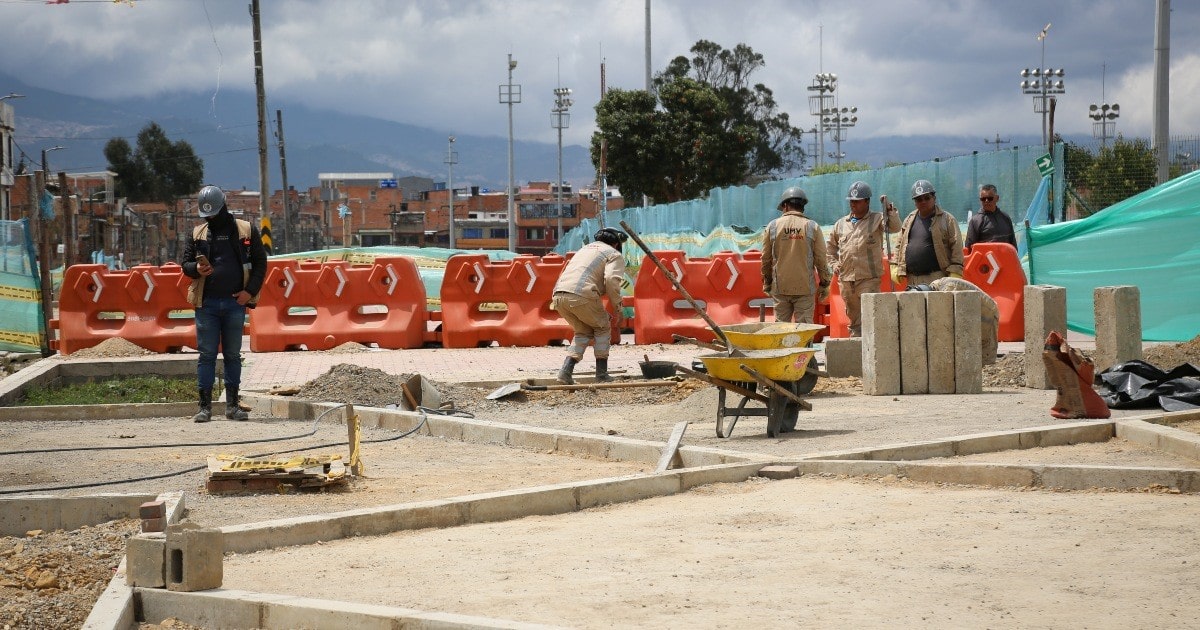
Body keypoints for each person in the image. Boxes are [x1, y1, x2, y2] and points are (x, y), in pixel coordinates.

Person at [181, 185, 267, 423]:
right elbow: (185, 265)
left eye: (213, 213)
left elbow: (260, 262)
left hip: (234, 305)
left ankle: (232, 406)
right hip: (206, 305)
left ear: (223, 207)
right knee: (206, 355)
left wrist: (248, 293)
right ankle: (205, 408)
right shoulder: (198, 234)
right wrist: (196, 269)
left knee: (232, 355)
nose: (209, 218)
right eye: (206, 214)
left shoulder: (245, 231)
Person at [551, 227, 628, 385]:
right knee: (602, 327)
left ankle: (565, 372)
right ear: (616, 243)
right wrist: (618, 308)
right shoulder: (614, 254)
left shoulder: (584, 249)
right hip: (581, 295)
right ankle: (601, 374)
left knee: (583, 332)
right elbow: (612, 280)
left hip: (558, 296)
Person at [826, 180, 900, 337]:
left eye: (857, 201)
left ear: (867, 201)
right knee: (854, 320)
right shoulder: (840, 224)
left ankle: (873, 353)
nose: (853, 204)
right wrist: (833, 264)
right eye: (851, 201)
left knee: (871, 317)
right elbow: (830, 248)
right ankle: (858, 350)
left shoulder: (877, 219)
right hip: (846, 280)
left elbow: (894, 227)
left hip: (868, 279)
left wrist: (890, 212)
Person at [761, 187, 831, 324]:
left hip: (780, 287)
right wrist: (824, 283)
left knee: (780, 329)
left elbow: (766, 259)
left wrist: (767, 282)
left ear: (785, 206)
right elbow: (821, 259)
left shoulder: (773, 226)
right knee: (804, 329)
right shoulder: (812, 227)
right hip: (805, 287)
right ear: (802, 207)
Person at [892, 179, 964, 287]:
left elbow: (957, 246)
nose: (923, 201)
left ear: (934, 198)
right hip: (912, 280)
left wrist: (955, 271)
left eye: (927, 198)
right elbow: (899, 244)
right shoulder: (909, 219)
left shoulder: (947, 219)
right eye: (919, 199)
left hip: (937, 278)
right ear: (915, 202)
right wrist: (895, 265)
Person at [965, 184, 1017, 252]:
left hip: (1004, 261)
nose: (986, 201)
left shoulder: (1005, 218)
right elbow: (969, 249)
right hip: (984, 262)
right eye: (983, 199)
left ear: (997, 198)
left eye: (990, 198)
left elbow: (1013, 246)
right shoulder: (975, 221)